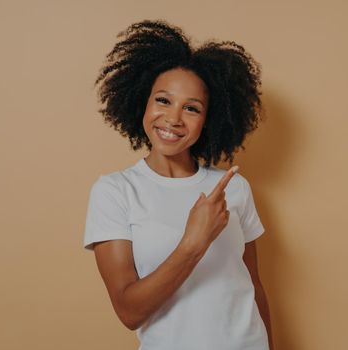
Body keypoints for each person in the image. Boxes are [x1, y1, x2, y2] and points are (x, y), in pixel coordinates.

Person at [83, 19, 274, 350]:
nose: (173, 118)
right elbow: (129, 311)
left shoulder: (233, 187)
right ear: (142, 102)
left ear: (209, 119)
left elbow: (252, 285)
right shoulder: (115, 192)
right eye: (162, 100)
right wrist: (194, 241)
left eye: (192, 108)